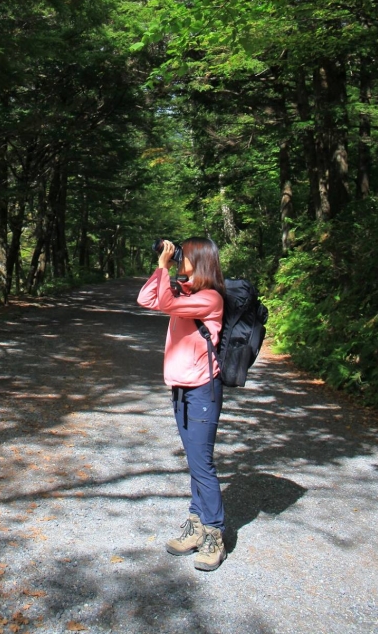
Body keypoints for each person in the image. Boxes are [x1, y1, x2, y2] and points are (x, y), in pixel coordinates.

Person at [137, 237, 227, 571]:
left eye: (183, 257)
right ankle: (196, 526)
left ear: (200, 261)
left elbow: (164, 305)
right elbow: (147, 298)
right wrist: (163, 269)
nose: (178, 260)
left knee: (202, 463)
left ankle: (214, 535)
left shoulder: (209, 298)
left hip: (203, 389)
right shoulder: (187, 293)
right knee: (194, 460)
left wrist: (163, 267)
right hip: (180, 388)